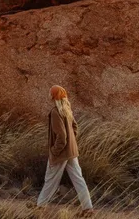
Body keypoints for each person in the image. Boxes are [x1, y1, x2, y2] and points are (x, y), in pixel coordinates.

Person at [36, 85, 94, 215]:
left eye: (50, 92)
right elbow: (75, 127)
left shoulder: (55, 112)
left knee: (50, 179)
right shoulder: (67, 109)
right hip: (72, 152)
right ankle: (88, 208)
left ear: (53, 96)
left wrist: (55, 151)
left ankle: (40, 207)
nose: (48, 94)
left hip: (61, 153)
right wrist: (71, 144)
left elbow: (61, 136)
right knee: (79, 179)